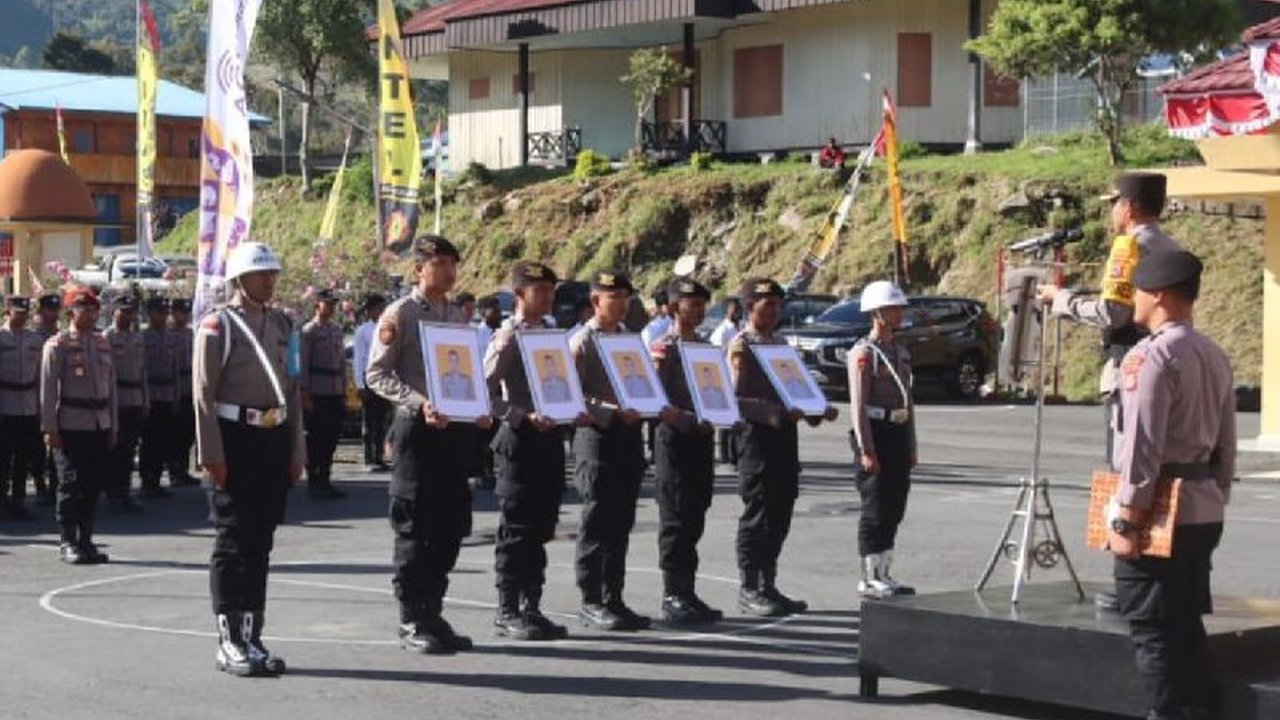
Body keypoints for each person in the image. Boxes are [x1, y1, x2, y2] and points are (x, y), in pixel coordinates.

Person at [1036, 171, 1183, 612]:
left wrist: (1059, 300)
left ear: (1131, 206)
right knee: (1160, 468)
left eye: (1114, 202)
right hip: (1166, 358)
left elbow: (1113, 313)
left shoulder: (1129, 245)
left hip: (1128, 367)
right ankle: (1157, 579)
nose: (1111, 211)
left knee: (1126, 470)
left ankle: (1129, 582)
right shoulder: (1170, 246)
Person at [1108, 250, 1234, 720]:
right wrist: (1218, 493)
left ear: (1158, 295)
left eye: (1138, 291)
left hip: (1161, 512)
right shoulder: (1213, 352)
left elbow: (1142, 445)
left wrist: (1126, 514)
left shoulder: (1151, 355)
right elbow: (1226, 442)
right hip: (1203, 506)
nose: (1134, 301)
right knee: (1184, 623)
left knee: (1151, 629)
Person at [367, 235, 489, 655]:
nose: (449, 271)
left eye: (453, 263)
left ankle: (433, 610)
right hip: (417, 431)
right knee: (415, 526)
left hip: (454, 432)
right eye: (440, 263)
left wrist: (478, 407)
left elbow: (467, 373)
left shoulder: (456, 315)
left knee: (451, 524)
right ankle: (411, 617)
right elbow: (377, 375)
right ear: (419, 268)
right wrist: (420, 404)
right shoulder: (400, 314)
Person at [195, 241, 304, 677]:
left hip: (273, 438)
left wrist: (297, 450)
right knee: (232, 541)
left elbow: (293, 390)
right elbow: (203, 395)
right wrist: (211, 453)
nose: (270, 281)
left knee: (260, 542)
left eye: (273, 273)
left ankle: (252, 635)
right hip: (234, 438)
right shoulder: (217, 326)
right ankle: (229, 642)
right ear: (239, 280)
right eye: (262, 274)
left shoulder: (284, 324)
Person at [485, 260, 586, 640]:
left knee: (542, 526)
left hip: (549, 440)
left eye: (550, 290)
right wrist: (520, 415)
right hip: (520, 440)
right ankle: (507, 608)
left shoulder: (550, 333)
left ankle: (532, 605)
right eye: (539, 291)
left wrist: (570, 407)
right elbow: (484, 389)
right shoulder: (508, 336)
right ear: (519, 294)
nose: (547, 297)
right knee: (517, 528)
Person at [729, 277, 839, 616]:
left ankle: (768, 582)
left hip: (784, 440)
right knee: (758, 513)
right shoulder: (741, 346)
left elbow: (798, 387)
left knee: (781, 510)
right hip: (757, 439)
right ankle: (750, 586)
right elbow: (734, 398)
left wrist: (817, 408)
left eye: (778, 304)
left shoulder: (780, 345)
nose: (775, 311)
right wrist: (775, 413)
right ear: (751, 307)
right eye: (768, 305)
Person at [572, 270, 666, 631]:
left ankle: (614, 596)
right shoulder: (582, 341)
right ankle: (591, 599)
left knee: (622, 521)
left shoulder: (631, 340)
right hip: (596, 437)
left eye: (626, 297)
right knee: (597, 520)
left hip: (629, 435)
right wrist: (611, 410)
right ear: (597, 300)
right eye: (616, 297)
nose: (623, 304)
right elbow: (572, 394)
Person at [650, 277, 723, 625]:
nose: (697, 310)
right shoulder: (665, 348)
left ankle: (687, 589)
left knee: (696, 512)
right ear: (674, 307)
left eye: (700, 304)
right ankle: (672, 593)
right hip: (675, 438)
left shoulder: (706, 347)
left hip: (702, 437)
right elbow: (657, 399)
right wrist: (687, 419)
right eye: (690, 304)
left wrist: (725, 414)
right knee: (676, 517)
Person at [848, 280, 917, 599]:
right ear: (877, 313)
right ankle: (869, 575)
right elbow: (858, 405)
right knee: (875, 507)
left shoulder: (899, 351)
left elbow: (908, 401)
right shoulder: (864, 353)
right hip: (876, 432)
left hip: (898, 432)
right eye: (893, 308)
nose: (899, 313)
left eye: (900, 307)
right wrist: (866, 449)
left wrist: (912, 444)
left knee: (895, 505)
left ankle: (885, 571)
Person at [41, 285, 115, 565]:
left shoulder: (102, 343)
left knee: (93, 484)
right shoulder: (57, 345)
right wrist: (50, 429)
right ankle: (67, 541)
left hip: (99, 423)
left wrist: (113, 425)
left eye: (93, 309)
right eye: (84, 308)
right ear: (71, 311)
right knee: (70, 485)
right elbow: (48, 392)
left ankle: (86, 538)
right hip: (70, 424)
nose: (91, 314)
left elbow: (112, 390)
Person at [301, 288, 347, 500]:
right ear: (316, 305)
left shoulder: (337, 331)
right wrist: (304, 393)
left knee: (331, 437)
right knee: (315, 439)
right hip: (317, 392)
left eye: (333, 304)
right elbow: (302, 364)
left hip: (334, 391)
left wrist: (344, 390)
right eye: (327, 303)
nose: (331, 308)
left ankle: (326, 478)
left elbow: (342, 364)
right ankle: (314, 480)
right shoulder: (308, 331)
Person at [0, 297, 44, 520]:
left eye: (25, 313)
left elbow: (39, 376)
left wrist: (40, 406)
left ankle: (19, 501)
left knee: (22, 458)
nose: (22, 316)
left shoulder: (35, 340)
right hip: (5, 404)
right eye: (17, 312)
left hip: (28, 404)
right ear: (8, 312)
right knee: (3, 458)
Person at [104, 294, 148, 511]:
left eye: (131, 312)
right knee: (115, 450)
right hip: (117, 399)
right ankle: (113, 493)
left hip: (135, 399)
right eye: (124, 311)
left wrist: (145, 400)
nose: (128, 316)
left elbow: (142, 372)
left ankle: (125, 492)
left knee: (129, 449)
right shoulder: (107, 338)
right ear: (114, 311)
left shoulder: (137, 338)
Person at [139, 296, 180, 497]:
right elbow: (141, 370)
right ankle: (146, 481)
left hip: (167, 393)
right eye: (159, 312)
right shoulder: (143, 337)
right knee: (149, 441)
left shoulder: (172, 337)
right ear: (150, 314)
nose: (163, 316)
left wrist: (176, 395)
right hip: (150, 394)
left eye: (165, 312)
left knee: (164, 439)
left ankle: (155, 480)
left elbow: (175, 371)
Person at [353, 293, 391, 472]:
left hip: (384, 381)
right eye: (379, 308)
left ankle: (379, 456)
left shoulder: (388, 329)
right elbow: (359, 359)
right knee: (370, 422)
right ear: (371, 311)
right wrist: (360, 385)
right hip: (369, 381)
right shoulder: (363, 331)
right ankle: (369, 457)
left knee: (382, 420)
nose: (382, 311)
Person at [167, 297, 199, 485]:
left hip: (191, 387)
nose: (184, 317)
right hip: (174, 388)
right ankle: (174, 470)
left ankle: (183, 469)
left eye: (187, 313)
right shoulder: (168, 335)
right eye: (181, 312)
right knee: (174, 432)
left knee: (188, 431)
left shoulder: (191, 334)